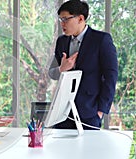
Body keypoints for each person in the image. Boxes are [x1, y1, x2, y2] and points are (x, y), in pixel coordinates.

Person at [48, 0, 118, 129]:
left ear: (80, 18)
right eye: (60, 19)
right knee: (59, 149)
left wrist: (101, 111)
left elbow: (111, 77)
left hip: (90, 112)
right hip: (62, 113)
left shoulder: (101, 40)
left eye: (65, 19)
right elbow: (51, 73)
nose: (62, 24)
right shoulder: (62, 41)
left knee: (89, 149)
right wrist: (61, 69)